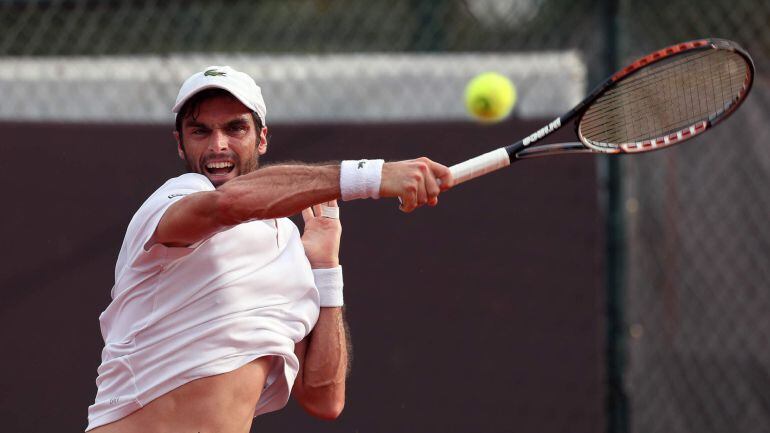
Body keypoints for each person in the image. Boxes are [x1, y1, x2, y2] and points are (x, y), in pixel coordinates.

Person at [86, 65, 454, 432]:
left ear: (261, 139)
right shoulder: (172, 200)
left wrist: (325, 266)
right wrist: (369, 177)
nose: (218, 146)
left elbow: (324, 398)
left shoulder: (286, 249)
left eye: (235, 128)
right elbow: (228, 205)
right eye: (201, 131)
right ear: (180, 143)